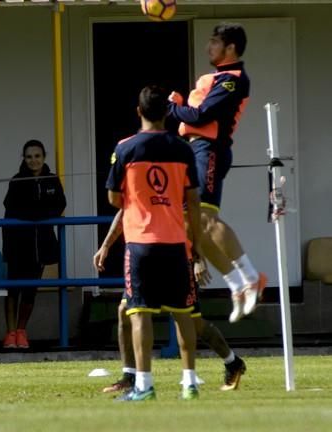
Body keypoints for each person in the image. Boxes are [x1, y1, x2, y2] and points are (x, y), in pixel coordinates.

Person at [105, 85, 205, 401]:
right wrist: (197, 247)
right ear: (166, 113)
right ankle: (189, 383)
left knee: (140, 313)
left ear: (139, 112)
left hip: (140, 244)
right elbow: (193, 200)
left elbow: (114, 199)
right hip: (176, 242)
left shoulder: (124, 149)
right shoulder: (183, 149)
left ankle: (144, 385)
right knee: (183, 313)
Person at [168, 23, 266, 323]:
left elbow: (200, 116)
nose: (208, 48)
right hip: (195, 150)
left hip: (209, 150)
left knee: (206, 219)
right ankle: (236, 285)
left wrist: (172, 108)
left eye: (214, 42)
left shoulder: (233, 80)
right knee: (188, 223)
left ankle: (251, 277)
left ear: (230, 48)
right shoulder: (216, 78)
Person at [93, 210, 247, 393]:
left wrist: (198, 258)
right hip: (144, 255)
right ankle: (129, 376)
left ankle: (231, 362)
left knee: (191, 321)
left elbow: (195, 217)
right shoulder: (133, 184)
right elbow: (124, 210)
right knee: (125, 311)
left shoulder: (177, 184)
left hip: (177, 257)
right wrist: (106, 245)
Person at [1, 140, 66, 349]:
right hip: (17, 244)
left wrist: (39, 213)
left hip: (41, 245)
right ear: (24, 158)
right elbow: (14, 209)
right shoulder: (17, 180)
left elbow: (59, 205)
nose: (33, 160)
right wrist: (36, 213)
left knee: (30, 291)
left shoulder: (52, 179)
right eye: (29, 157)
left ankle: (21, 331)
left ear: (44, 157)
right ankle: (10, 333)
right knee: (13, 290)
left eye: (37, 156)